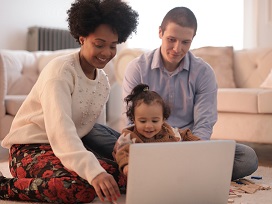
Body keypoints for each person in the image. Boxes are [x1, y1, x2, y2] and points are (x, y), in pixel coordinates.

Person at [0, 0, 138, 203]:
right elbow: (61, 130)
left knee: (126, 175)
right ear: (82, 39)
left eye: (113, 46)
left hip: (67, 149)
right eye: (99, 44)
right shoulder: (61, 71)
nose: (107, 53)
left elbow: (92, 129)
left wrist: (116, 150)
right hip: (29, 149)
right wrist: (93, 172)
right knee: (79, 188)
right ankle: (5, 186)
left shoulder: (103, 82)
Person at [122, 7, 258, 181]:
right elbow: (130, 118)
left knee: (247, 158)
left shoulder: (203, 72)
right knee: (104, 137)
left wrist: (193, 152)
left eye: (185, 42)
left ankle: (165, 173)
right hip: (146, 142)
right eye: (171, 39)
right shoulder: (138, 68)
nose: (177, 49)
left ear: (192, 39)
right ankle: (187, 175)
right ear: (160, 32)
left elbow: (204, 122)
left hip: (187, 145)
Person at [113, 83, 200, 176]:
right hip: (141, 173)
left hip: (167, 171)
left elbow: (184, 134)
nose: (149, 126)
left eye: (154, 121)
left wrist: (199, 143)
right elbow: (122, 152)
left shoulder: (168, 131)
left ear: (163, 120)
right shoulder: (129, 136)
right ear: (134, 120)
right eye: (142, 121)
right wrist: (126, 165)